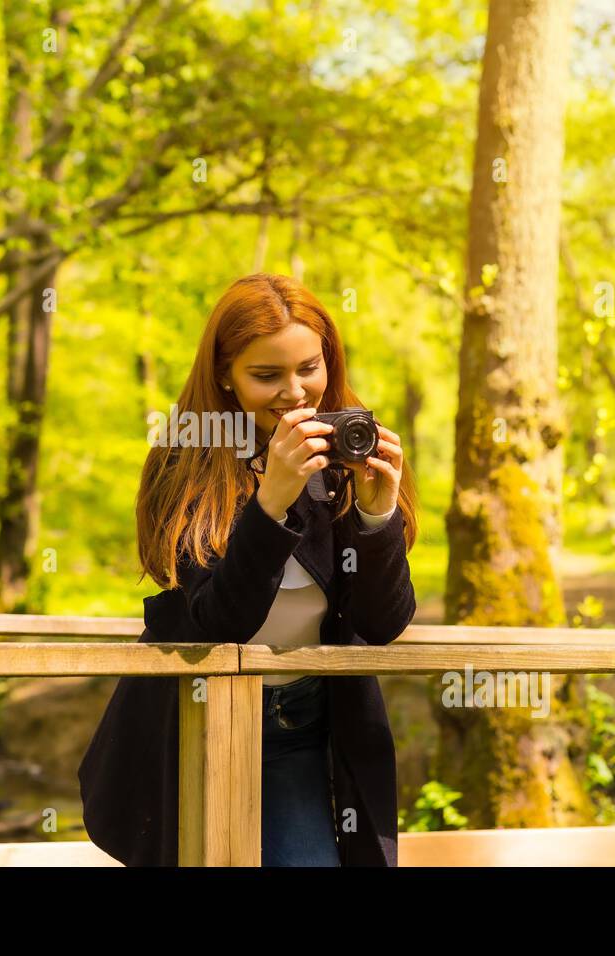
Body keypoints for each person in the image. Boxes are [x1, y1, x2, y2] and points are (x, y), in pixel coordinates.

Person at [78, 273, 418, 866]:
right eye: (267, 376)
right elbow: (220, 622)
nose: (295, 392)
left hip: (306, 721)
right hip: (192, 717)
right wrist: (270, 503)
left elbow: (381, 623)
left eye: (310, 368)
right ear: (223, 377)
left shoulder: (344, 452)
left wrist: (377, 514)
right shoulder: (185, 456)